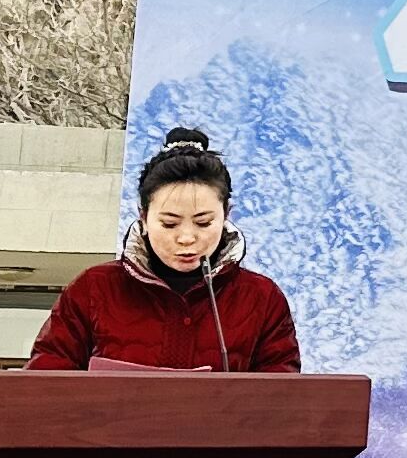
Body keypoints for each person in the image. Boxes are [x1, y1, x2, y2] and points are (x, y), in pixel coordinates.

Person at [27, 125, 306, 373]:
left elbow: (282, 399)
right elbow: (45, 382)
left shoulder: (261, 298)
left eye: (203, 222)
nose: (186, 238)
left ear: (226, 215)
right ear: (143, 218)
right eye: (169, 223)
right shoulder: (93, 289)